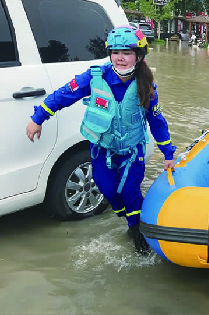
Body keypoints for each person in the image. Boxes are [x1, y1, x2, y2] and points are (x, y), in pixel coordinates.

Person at [26, 26, 176, 255]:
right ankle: (133, 216)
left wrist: (168, 153)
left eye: (127, 52)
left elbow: (157, 121)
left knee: (130, 191)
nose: (120, 58)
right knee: (109, 191)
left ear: (139, 55)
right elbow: (64, 94)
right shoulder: (95, 76)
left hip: (131, 153)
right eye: (115, 52)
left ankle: (137, 231)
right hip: (102, 151)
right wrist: (39, 118)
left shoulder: (146, 86)